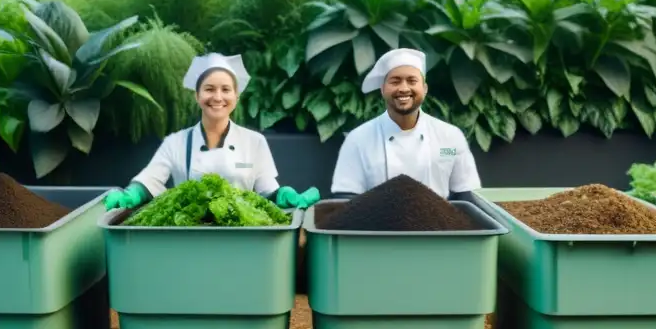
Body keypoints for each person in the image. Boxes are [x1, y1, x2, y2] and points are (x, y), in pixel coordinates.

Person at [104, 53, 320, 210]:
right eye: (209, 89)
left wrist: (284, 194)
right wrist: (131, 194)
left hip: (246, 235)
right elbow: (150, 180)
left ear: (236, 97)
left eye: (226, 90)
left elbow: (267, 189)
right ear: (197, 96)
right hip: (191, 236)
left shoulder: (255, 142)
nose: (217, 97)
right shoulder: (176, 143)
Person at [330, 47, 481, 200]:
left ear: (425, 88)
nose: (403, 88)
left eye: (412, 81)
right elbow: (345, 198)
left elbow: (467, 193)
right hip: (375, 223)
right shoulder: (358, 140)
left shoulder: (450, 138)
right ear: (382, 90)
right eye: (395, 81)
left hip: (439, 223)